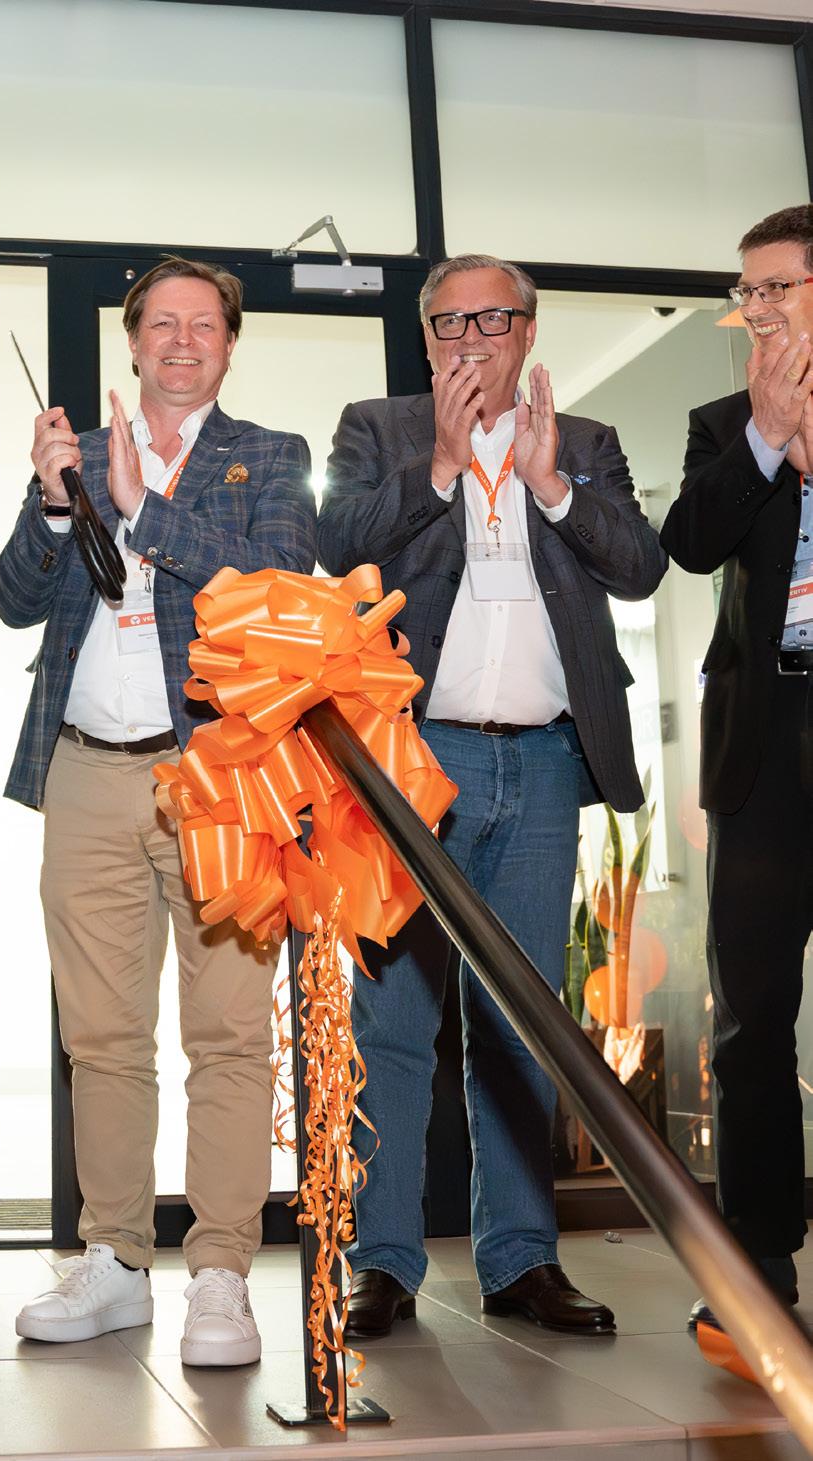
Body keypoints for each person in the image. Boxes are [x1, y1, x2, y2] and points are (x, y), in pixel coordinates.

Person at [319, 253, 667, 1338]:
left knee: (525, 1023)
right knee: (395, 1020)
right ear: (426, 338)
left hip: (547, 761)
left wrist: (552, 485)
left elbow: (641, 566)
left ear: (527, 330)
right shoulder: (378, 427)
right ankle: (382, 1261)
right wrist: (438, 464)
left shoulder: (587, 441)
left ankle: (519, 1260)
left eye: (492, 319)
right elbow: (336, 542)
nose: (470, 338)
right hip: (417, 758)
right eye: (450, 322)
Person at [0, 257, 316, 1366]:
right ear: (131, 342)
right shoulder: (76, 454)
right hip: (85, 770)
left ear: (228, 345)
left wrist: (144, 510)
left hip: (219, 770)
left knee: (228, 1032)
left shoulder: (270, 456)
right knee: (100, 1036)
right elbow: (13, 599)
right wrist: (54, 505)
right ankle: (115, 1260)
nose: (181, 341)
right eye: (161, 324)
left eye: (203, 325)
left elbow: (276, 586)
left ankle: (220, 1270)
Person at [664, 204, 813, 1328]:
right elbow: (689, 541)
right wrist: (766, 437)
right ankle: (758, 1264)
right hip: (763, 741)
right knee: (751, 1014)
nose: (753, 308)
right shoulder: (722, 423)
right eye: (745, 291)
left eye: (775, 287)